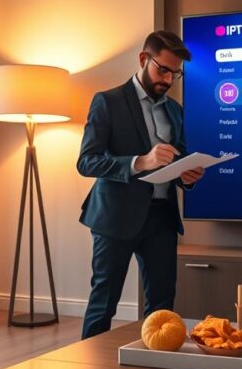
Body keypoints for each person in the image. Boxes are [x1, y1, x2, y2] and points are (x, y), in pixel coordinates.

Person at [76, 31, 205, 339]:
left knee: (162, 308)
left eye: (176, 74)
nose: (168, 80)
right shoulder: (107, 102)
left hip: (161, 217)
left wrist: (186, 175)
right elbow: (87, 161)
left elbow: (179, 158)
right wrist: (139, 162)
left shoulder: (174, 110)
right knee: (103, 303)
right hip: (115, 217)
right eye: (163, 70)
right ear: (143, 59)